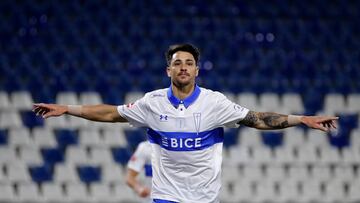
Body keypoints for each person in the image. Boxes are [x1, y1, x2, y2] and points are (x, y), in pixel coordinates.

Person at [33, 43, 338, 203]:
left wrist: (302, 119)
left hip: (205, 197)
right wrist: (68, 109)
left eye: (189, 63)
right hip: (167, 196)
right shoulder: (152, 103)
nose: (183, 67)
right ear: (168, 71)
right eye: (177, 62)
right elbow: (111, 113)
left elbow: (257, 119)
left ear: (196, 71)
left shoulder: (215, 103)